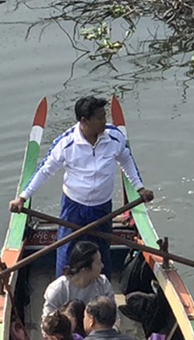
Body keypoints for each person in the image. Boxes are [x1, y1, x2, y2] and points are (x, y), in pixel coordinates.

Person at [10, 94, 149, 278]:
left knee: (101, 255)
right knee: (67, 253)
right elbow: (45, 171)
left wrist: (140, 188)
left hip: (103, 209)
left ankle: (102, 295)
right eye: (100, 118)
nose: (104, 121)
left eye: (105, 116)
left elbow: (126, 160)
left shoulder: (114, 138)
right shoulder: (66, 144)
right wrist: (23, 198)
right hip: (74, 208)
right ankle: (64, 293)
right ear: (84, 121)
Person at [41, 239, 113, 338]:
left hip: (96, 338)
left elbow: (114, 319)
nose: (102, 265)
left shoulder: (103, 284)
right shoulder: (58, 289)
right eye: (98, 263)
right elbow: (47, 327)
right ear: (85, 269)